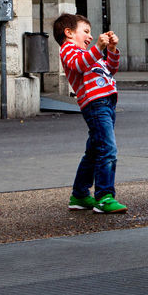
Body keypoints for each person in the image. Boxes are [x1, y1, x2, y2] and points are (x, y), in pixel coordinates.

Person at [53, 13, 126, 213]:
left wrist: (111, 50)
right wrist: (99, 48)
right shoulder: (68, 50)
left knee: (95, 151)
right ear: (68, 33)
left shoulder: (88, 53)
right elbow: (79, 64)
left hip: (107, 102)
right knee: (108, 149)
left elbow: (110, 69)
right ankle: (104, 196)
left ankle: (80, 195)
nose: (90, 36)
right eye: (85, 31)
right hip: (95, 104)